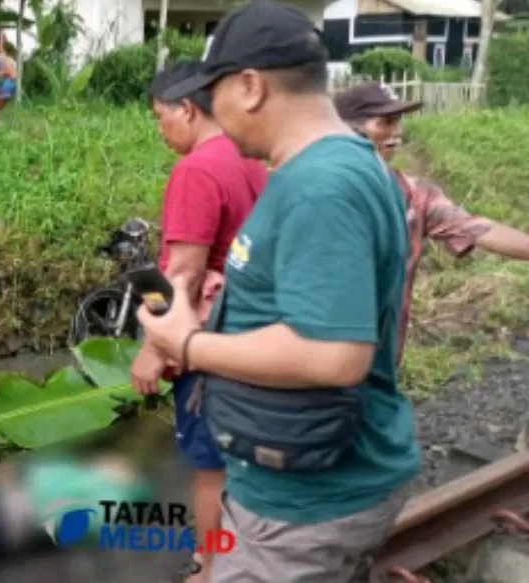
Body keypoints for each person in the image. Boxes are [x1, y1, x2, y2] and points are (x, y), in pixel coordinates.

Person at [137, 2, 419, 582]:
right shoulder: (333, 168)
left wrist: (187, 344)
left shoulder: (321, 186)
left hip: (308, 503)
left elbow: (333, 354)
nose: (211, 112)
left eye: (213, 93)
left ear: (249, 86)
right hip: (306, 473)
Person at [130, 58, 266, 583]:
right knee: (240, 462)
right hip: (251, 338)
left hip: (209, 344)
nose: (161, 130)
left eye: (161, 117)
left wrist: (155, 350)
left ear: (187, 108)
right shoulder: (252, 158)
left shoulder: (197, 169)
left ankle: (209, 568)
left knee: (209, 469)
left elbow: (182, 275)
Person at [334, 82, 529, 363]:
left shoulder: (413, 194)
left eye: (398, 123)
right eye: (385, 123)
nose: (397, 132)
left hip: (383, 359)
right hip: (320, 360)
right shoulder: (321, 192)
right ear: (347, 129)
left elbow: (477, 229)